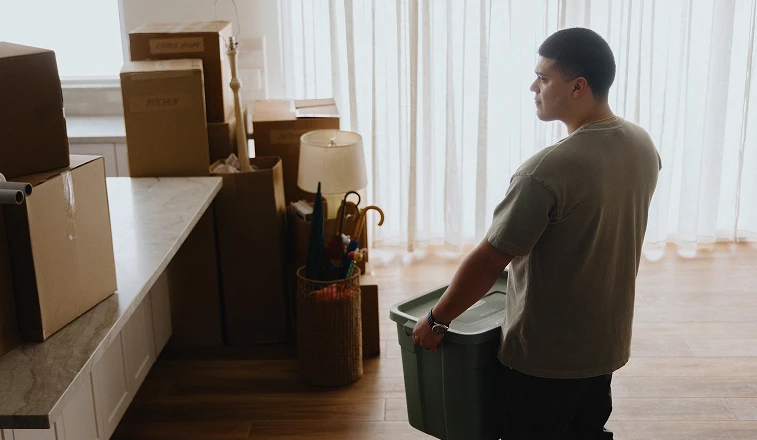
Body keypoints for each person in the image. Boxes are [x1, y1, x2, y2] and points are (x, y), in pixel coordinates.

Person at [412, 27, 661, 439]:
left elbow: (490, 260)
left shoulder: (545, 171)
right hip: (605, 345)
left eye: (544, 78)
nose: (534, 87)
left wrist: (438, 320)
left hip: (546, 357)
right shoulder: (641, 144)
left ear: (577, 86)